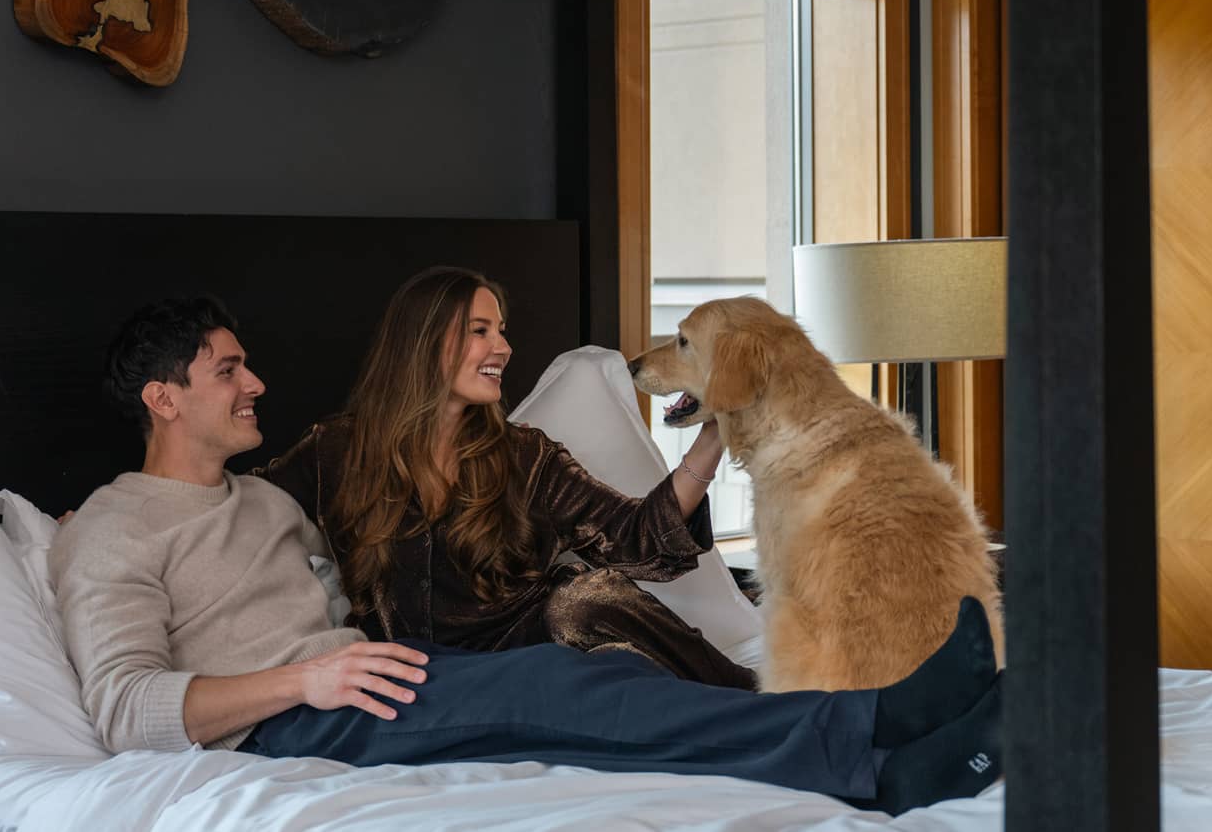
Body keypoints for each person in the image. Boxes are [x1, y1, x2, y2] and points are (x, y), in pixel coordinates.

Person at [49, 295, 1005, 816]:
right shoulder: (113, 528)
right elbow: (126, 708)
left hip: (379, 681)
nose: (256, 382)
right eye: (228, 371)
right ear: (163, 400)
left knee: (591, 697)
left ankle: (886, 762)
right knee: (568, 692)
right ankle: (876, 723)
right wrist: (306, 679)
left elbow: (631, 537)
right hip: (299, 717)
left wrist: (715, 438)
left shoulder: (265, 498)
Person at [257, 267, 754, 688]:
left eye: (501, 330)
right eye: (481, 331)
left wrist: (713, 436)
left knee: (583, 602)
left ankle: (745, 695)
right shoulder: (335, 451)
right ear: (423, 341)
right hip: (407, 683)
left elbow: (637, 538)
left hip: (523, 670)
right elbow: (240, 512)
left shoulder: (526, 457)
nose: (505, 348)